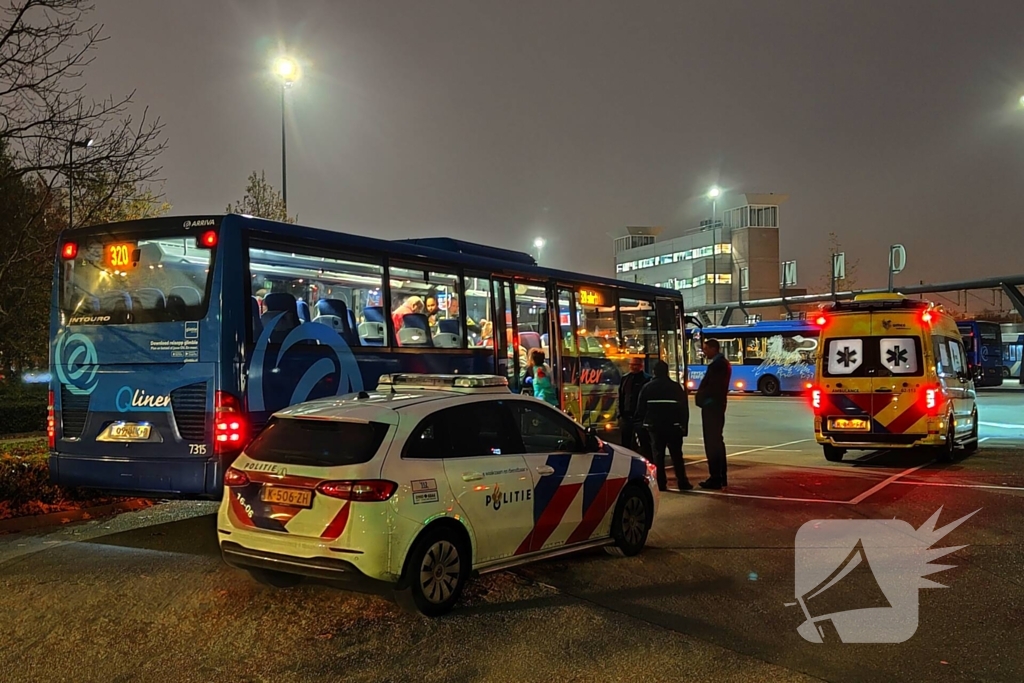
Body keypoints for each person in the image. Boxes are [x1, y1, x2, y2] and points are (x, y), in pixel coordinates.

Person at [636, 360, 692, 492]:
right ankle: (682, 482)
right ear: (667, 371)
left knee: (658, 456)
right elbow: (683, 409)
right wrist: (683, 426)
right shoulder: (675, 387)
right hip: (673, 426)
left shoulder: (647, 387)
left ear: (654, 372)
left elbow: (640, 409)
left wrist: (644, 423)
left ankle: (661, 483)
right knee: (677, 456)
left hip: (655, 427)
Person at [695, 338, 732, 489]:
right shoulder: (722, 364)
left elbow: (713, 388)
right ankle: (720, 476)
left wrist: (702, 399)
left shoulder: (717, 365)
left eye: (706, 349)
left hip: (712, 408)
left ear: (713, 349)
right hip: (717, 407)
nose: (704, 352)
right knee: (717, 441)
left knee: (712, 443)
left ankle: (715, 477)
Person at [618, 357, 651, 456]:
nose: (632, 367)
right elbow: (621, 396)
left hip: (640, 416)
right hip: (626, 415)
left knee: (644, 442)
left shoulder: (647, 379)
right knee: (626, 442)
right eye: (631, 365)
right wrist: (621, 413)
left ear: (641, 366)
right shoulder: (625, 378)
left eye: (635, 365)